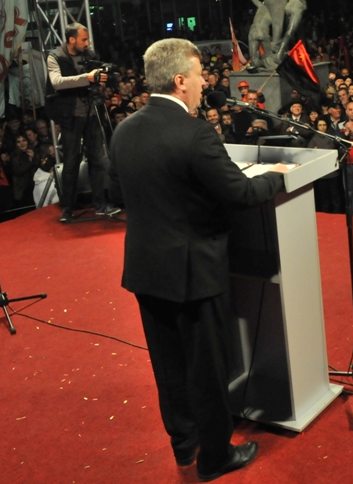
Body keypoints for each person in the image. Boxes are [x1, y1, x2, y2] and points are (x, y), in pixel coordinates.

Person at [109, 38, 286, 479]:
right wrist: (277, 177)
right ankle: (215, 457)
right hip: (194, 272)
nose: (205, 82)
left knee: (169, 367)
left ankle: (184, 447)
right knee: (207, 368)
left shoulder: (124, 130)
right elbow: (241, 193)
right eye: (199, 74)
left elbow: (120, 193)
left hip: (146, 270)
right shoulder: (194, 133)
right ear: (180, 81)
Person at [46, 23, 119, 222]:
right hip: (70, 116)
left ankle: (100, 204)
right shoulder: (55, 57)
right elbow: (57, 82)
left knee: (96, 160)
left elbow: (98, 79)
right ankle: (68, 208)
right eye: (83, 39)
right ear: (72, 40)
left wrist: (101, 80)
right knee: (71, 162)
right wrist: (87, 78)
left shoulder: (89, 55)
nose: (87, 43)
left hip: (92, 112)